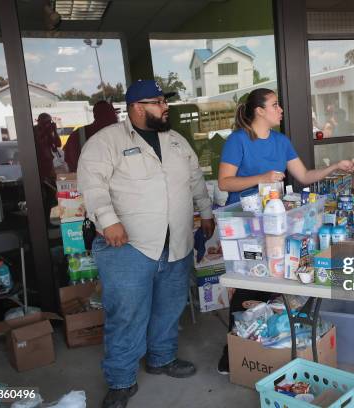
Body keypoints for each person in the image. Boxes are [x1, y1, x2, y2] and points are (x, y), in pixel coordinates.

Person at [78, 80, 215, 408]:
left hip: (177, 243)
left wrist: (206, 213)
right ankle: (121, 380)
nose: (165, 107)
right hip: (129, 247)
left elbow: (195, 180)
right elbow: (92, 184)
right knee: (126, 315)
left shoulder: (177, 141)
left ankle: (162, 359)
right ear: (138, 107)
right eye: (158, 102)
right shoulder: (106, 142)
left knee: (169, 309)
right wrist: (107, 220)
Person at [216, 88, 354, 374]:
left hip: (276, 223)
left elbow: (304, 176)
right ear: (259, 111)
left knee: (276, 283)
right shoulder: (238, 140)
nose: (280, 110)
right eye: (275, 105)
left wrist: (335, 168)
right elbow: (224, 183)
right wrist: (262, 178)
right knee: (249, 285)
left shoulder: (281, 141)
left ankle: (267, 344)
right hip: (246, 226)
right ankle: (235, 347)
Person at [64, 100, 118, 172]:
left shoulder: (77, 134)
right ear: (108, 115)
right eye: (114, 113)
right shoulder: (116, 134)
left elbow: (70, 163)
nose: (116, 117)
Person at [33, 112, 61, 183]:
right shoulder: (35, 130)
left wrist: (55, 131)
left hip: (49, 162)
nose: (48, 124)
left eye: (49, 122)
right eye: (45, 122)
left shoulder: (48, 131)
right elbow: (39, 142)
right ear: (39, 122)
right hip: (39, 163)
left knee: (52, 182)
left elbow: (58, 144)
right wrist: (46, 131)